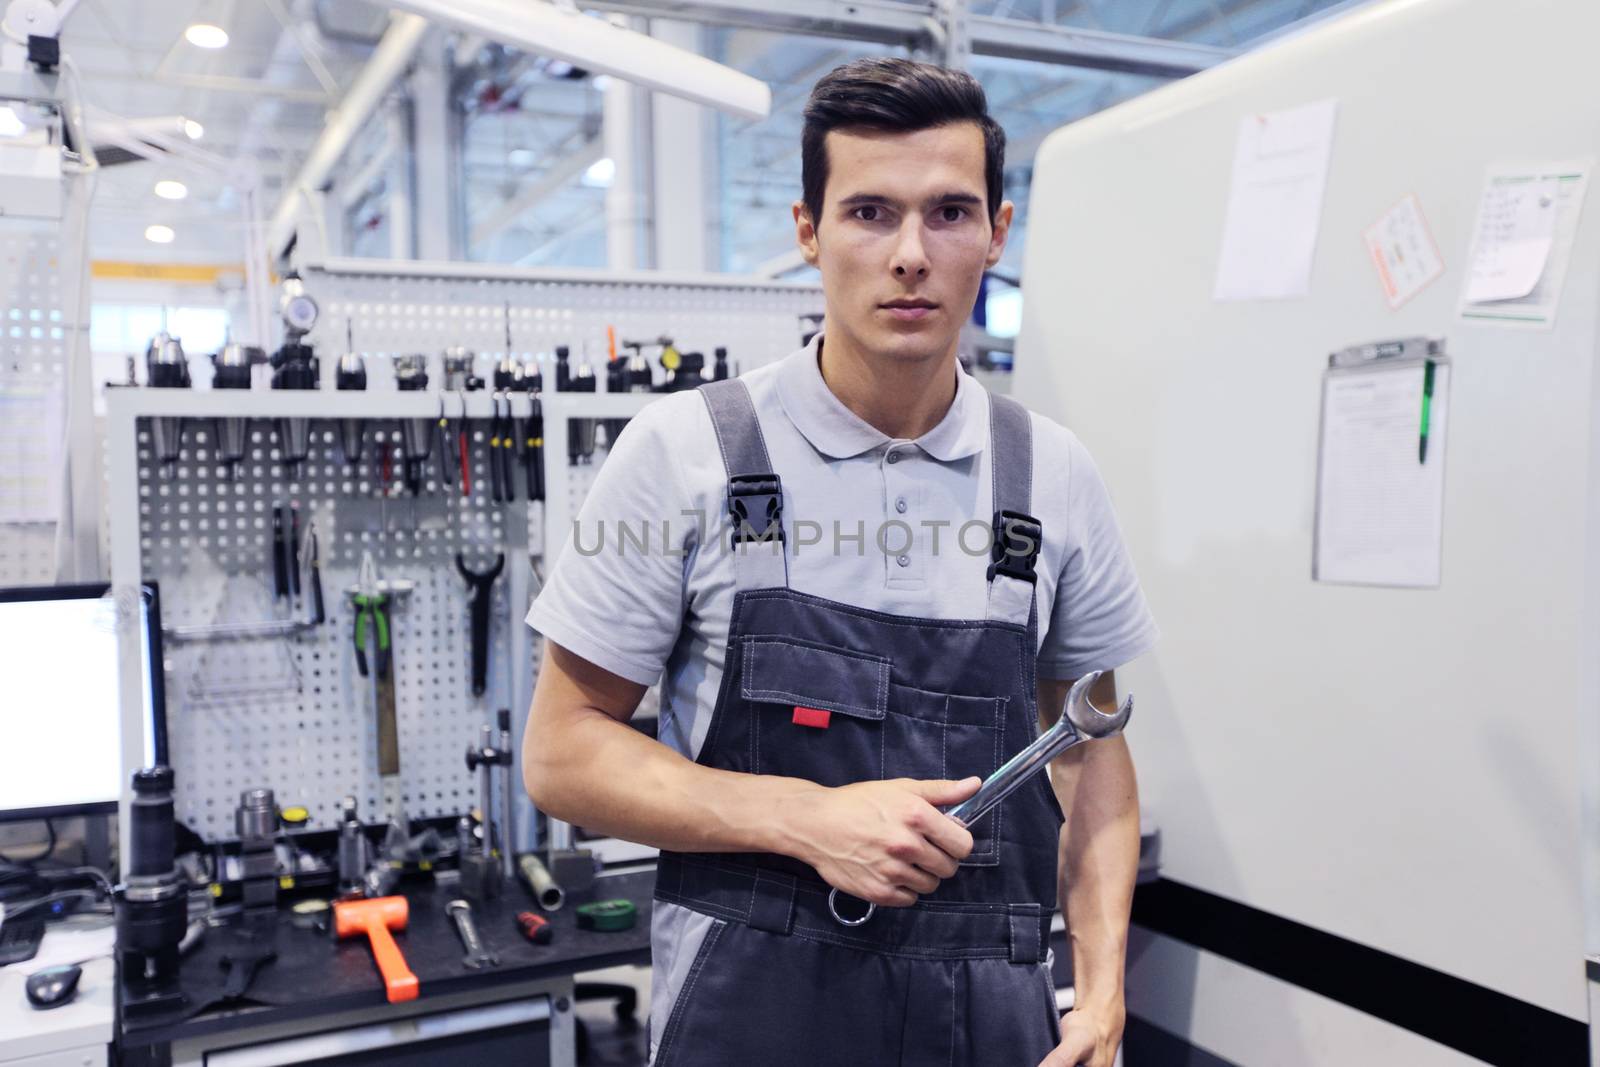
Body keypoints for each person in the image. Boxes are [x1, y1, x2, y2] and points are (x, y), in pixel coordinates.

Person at [523, 56, 1158, 1067]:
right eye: (869, 212)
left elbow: (1089, 751)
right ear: (808, 231)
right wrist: (807, 817)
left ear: (997, 233)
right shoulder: (683, 453)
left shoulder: (1055, 476)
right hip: (753, 1019)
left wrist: (1104, 991)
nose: (910, 253)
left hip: (992, 1020)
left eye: (949, 213)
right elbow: (561, 751)